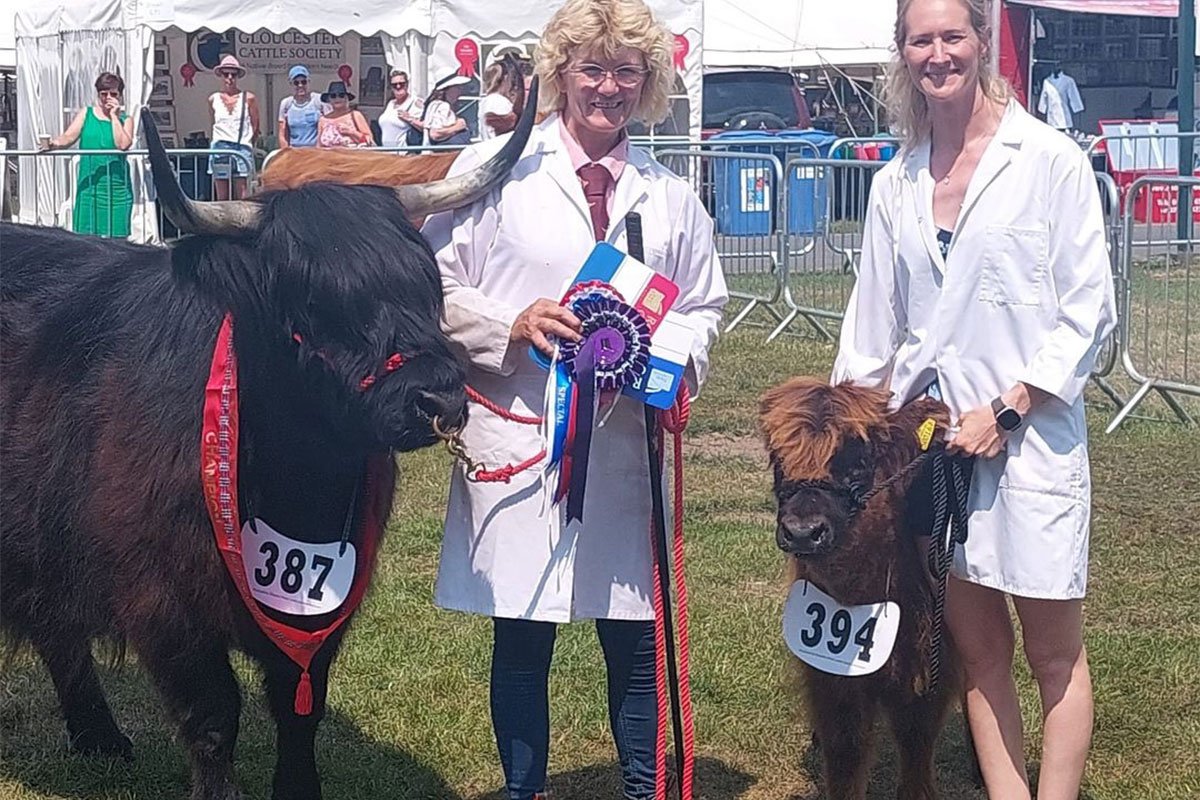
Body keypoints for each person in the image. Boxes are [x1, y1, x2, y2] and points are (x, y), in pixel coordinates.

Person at [421, 1, 728, 798]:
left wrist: (668, 361)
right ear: (558, 73)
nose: (609, 87)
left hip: (628, 443)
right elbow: (432, 289)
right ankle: (524, 790)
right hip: (521, 437)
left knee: (634, 632)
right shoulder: (493, 173)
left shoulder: (667, 196)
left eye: (628, 70)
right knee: (523, 633)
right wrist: (511, 324)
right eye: (591, 68)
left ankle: (640, 789)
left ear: (649, 82)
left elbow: (703, 305)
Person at [830, 2, 1116, 799]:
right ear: (903, 52)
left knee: (1053, 656)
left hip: (1032, 445)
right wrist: (848, 435)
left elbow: (1088, 308)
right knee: (978, 656)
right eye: (921, 40)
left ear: (981, 43)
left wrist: (1013, 406)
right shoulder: (896, 181)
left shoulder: (1049, 161)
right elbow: (871, 330)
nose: (938, 54)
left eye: (952, 36)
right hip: (938, 456)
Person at [40, 71, 133, 237]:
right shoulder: (86, 113)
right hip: (90, 186)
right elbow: (69, 136)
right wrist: (53, 144)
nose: (108, 98)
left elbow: (123, 144)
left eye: (113, 94)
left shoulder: (126, 120)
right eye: (103, 94)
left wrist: (113, 117)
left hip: (117, 188)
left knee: (118, 239)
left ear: (120, 96)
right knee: (86, 237)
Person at [207, 54, 259, 200]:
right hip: (220, 146)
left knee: (242, 195)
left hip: (241, 147)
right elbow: (213, 122)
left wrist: (248, 142)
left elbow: (256, 126)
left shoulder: (248, 98)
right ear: (221, 76)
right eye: (226, 74)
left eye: (233, 74)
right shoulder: (213, 99)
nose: (229, 78)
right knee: (222, 196)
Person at [277, 64, 329, 148]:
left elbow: (328, 127)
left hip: (316, 150)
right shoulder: (286, 103)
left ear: (308, 82)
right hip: (294, 151)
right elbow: (282, 132)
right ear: (291, 84)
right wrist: (285, 151)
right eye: (296, 83)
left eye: (303, 82)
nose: (300, 85)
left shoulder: (318, 100)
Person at [316, 81, 374, 148]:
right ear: (329, 99)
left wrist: (352, 132)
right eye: (333, 96)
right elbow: (319, 145)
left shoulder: (355, 115)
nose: (337, 99)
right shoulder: (323, 120)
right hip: (327, 157)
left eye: (341, 95)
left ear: (346, 98)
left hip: (351, 156)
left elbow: (370, 141)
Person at [477, 58, 523, 141]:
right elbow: (505, 131)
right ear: (505, 79)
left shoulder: (485, 101)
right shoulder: (498, 101)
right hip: (500, 147)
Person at [419, 75, 472, 146]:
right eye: (457, 87)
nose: (460, 91)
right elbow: (435, 134)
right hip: (446, 153)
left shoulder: (439, 105)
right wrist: (457, 127)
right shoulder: (442, 106)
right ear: (448, 89)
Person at [377, 69, 423, 148]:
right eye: (394, 85)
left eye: (401, 84)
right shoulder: (391, 103)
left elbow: (426, 128)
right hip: (389, 153)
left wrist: (410, 119)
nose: (398, 86)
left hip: (405, 154)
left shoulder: (415, 102)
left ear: (407, 84)